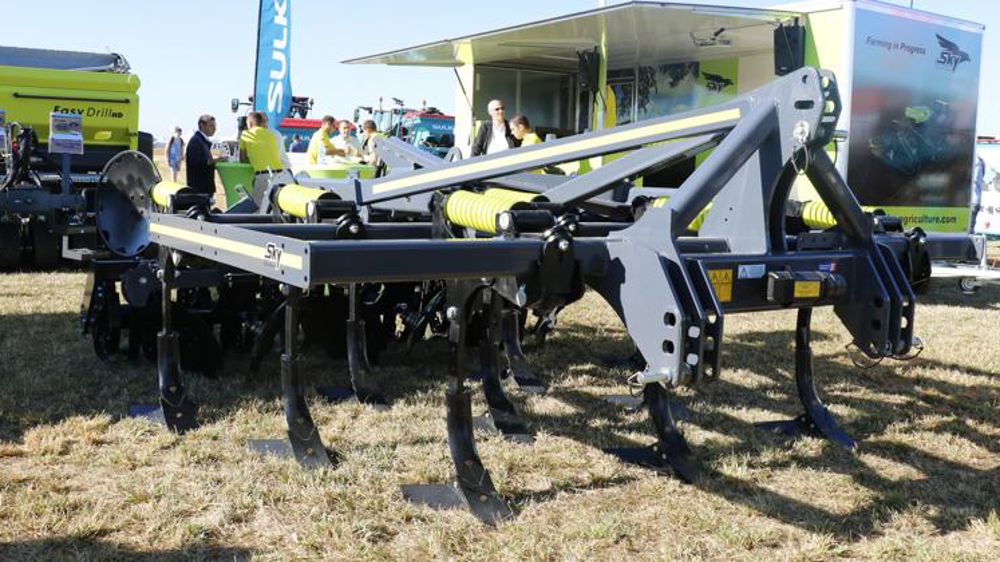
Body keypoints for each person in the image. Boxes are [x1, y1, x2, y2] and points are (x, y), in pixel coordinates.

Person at [239, 111, 294, 206]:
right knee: (276, 206)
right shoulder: (272, 134)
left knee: (258, 206)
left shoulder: (245, 134)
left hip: (263, 174)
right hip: (280, 174)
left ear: (250, 123)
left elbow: (242, 159)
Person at [185, 115, 225, 196]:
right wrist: (219, 159)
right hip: (199, 189)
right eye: (211, 126)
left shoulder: (203, 141)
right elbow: (200, 162)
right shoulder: (196, 141)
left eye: (215, 126)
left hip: (204, 187)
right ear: (202, 126)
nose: (214, 129)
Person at [971, 154, 985, 233]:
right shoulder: (979, 160)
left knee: (967, 232)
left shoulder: (974, 160)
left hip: (971, 201)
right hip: (974, 200)